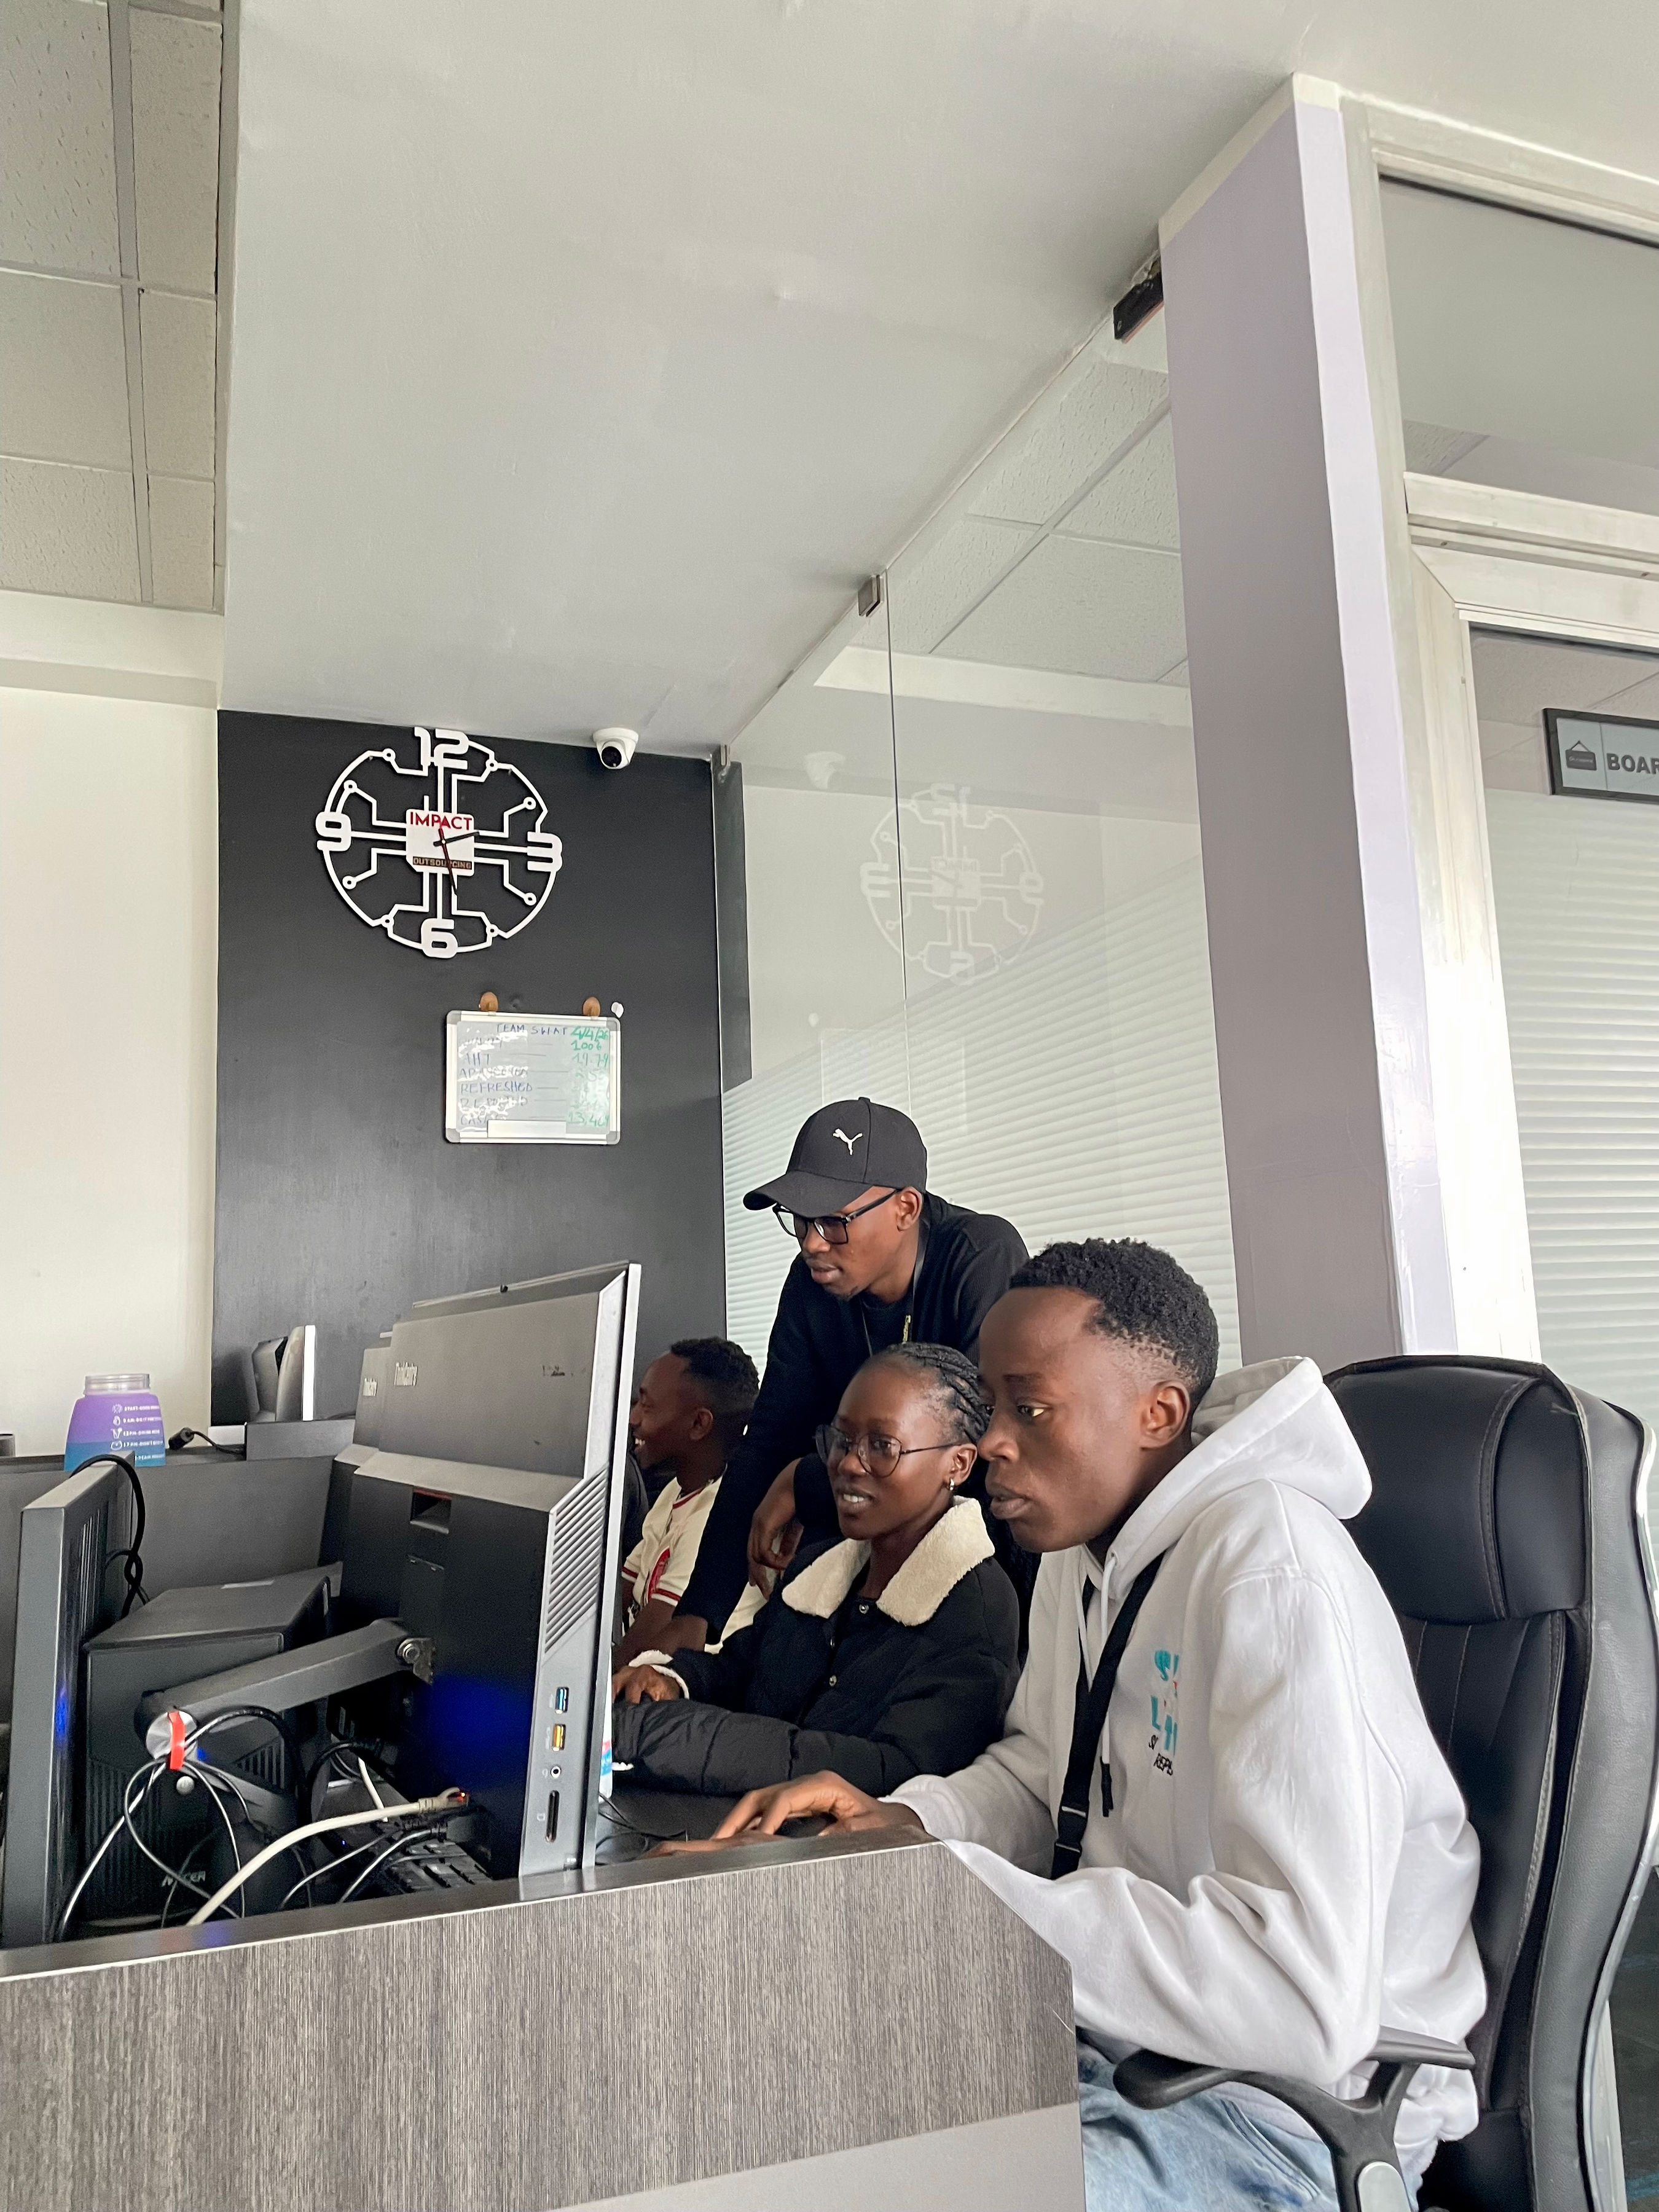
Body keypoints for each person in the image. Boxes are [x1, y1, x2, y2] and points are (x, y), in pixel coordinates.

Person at [695, 1240, 1484, 2211]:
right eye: (993, 1409)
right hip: (1109, 2049)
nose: (991, 1444)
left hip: (1277, 2122)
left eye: (1030, 1408)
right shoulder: (1083, 1542)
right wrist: (908, 1822)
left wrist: (940, 1893)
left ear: (1158, 1415)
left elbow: (1299, 1992)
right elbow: (1041, 1773)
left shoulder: (1270, 1569)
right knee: (755, 2088)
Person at [664, 1096, 1028, 1653]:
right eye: (802, 1220)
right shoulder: (811, 1283)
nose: (811, 1242)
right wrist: (698, 1614)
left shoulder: (978, 1257)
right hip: (867, 1551)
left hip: (979, 1564)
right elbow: (769, 1438)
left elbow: (973, 1446)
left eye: (834, 1221)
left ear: (906, 1208)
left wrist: (805, 1480)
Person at [610, 1343, 1019, 1798]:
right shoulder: (821, 1566)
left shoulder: (974, 1609)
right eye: (842, 1441)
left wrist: (671, 1735)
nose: (847, 1464)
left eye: (881, 1447)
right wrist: (673, 1679)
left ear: (957, 1464)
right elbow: (741, 1668)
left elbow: (897, 1769)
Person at [613, 1337, 764, 1666]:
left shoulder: (715, 1516)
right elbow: (614, 1596)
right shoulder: (674, 1492)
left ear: (699, 1424)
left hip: (684, 1693)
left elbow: (642, 1652)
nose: (632, 1418)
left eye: (646, 1406)